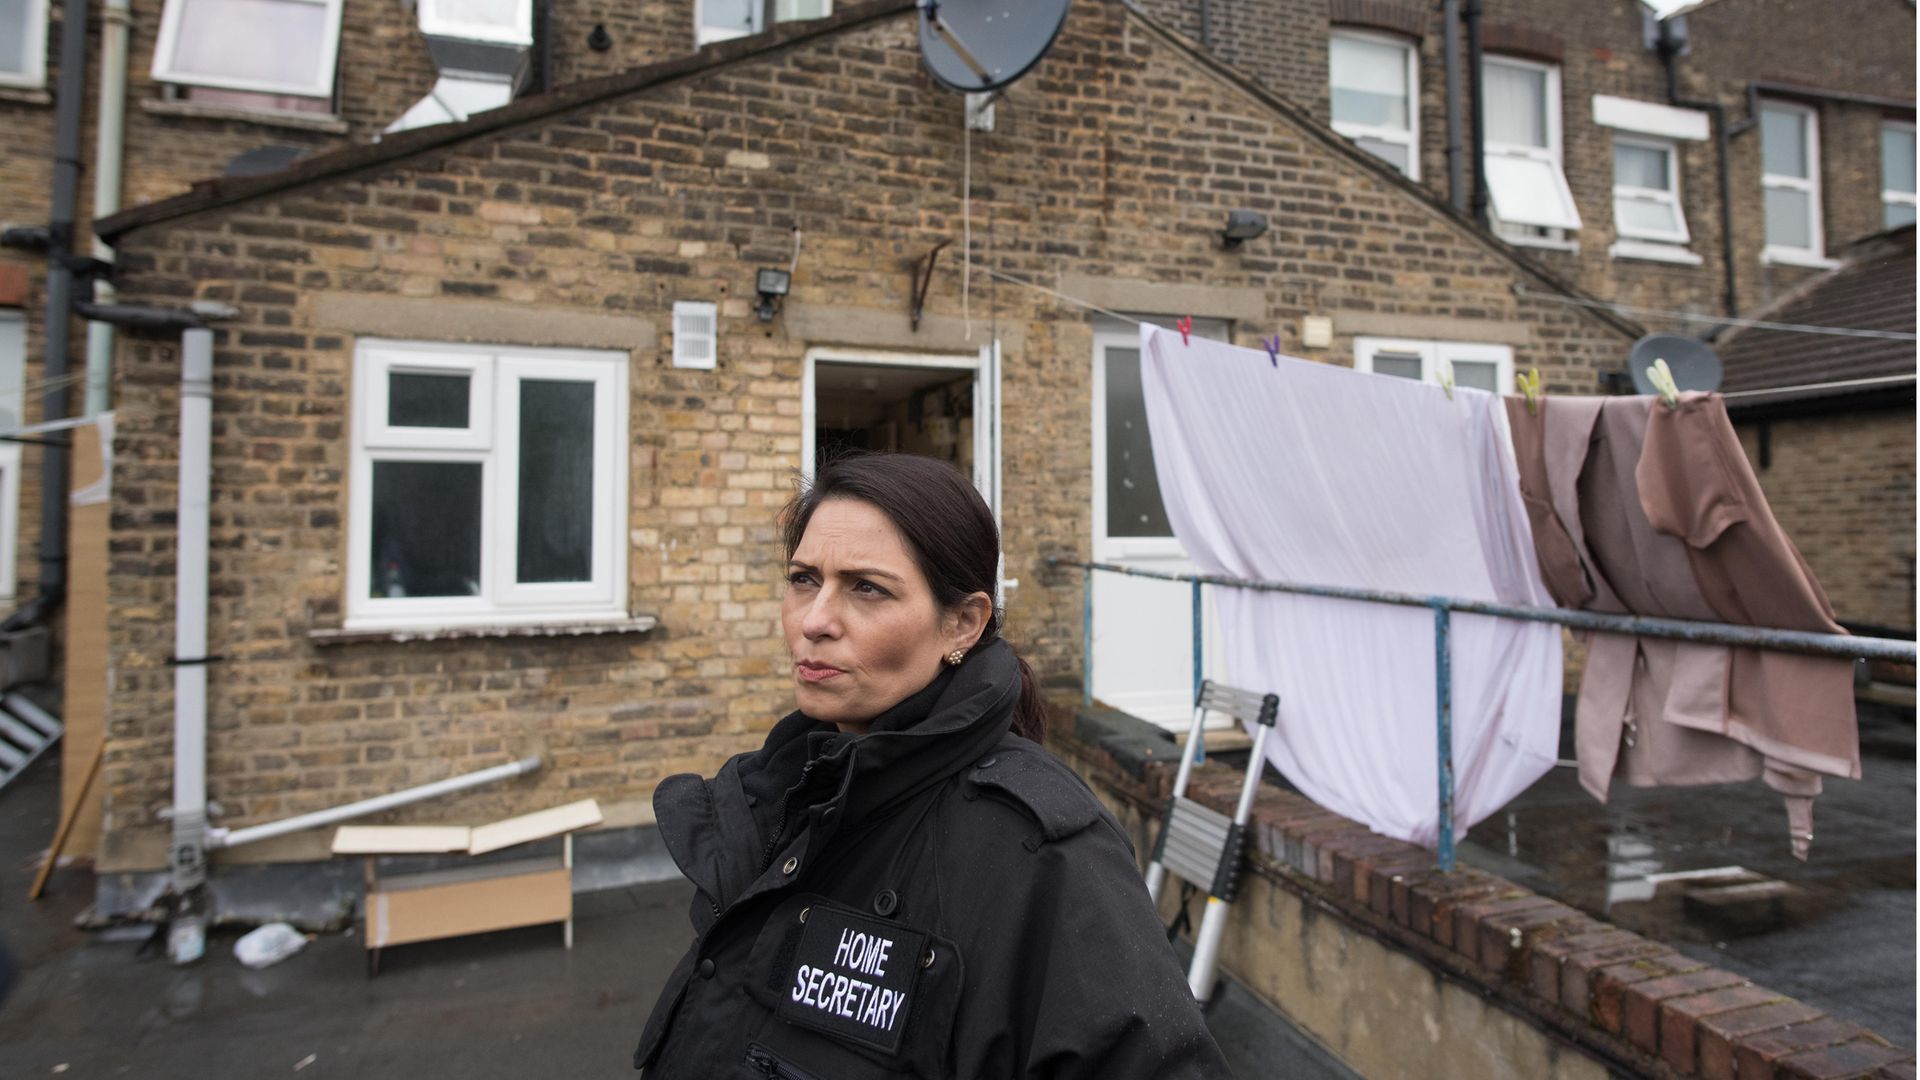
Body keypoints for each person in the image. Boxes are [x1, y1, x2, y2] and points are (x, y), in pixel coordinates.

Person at [633, 453, 1232, 1079]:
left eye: (867, 588)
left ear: (962, 625)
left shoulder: (1045, 853)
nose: (813, 622)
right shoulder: (787, 790)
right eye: (805, 579)